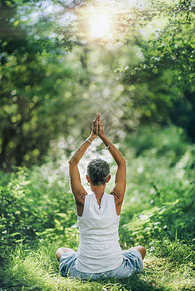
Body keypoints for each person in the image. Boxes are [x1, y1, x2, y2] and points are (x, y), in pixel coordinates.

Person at [56, 113, 146, 280]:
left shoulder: (82, 200)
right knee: (140, 249)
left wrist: (92, 137)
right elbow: (122, 163)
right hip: (117, 270)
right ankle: (115, 258)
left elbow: (72, 163)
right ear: (109, 179)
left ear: (87, 179)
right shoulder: (116, 200)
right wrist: (103, 136)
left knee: (61, 251)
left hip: (83, 272)